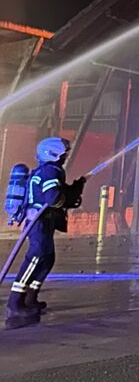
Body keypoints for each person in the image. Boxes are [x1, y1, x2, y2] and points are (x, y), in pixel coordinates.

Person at [4, 136, 85, 330]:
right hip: (38, 222)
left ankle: (31, 298)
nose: (65, 157)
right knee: (36, 256)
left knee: (47, 258)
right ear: (53, 154)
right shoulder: (50, 171)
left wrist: (75, 188)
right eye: (63, 154)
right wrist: (67, 198)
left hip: (45, 220)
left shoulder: (49, 170)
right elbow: (53, 198)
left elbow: (59, 193)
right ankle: (15, 303)